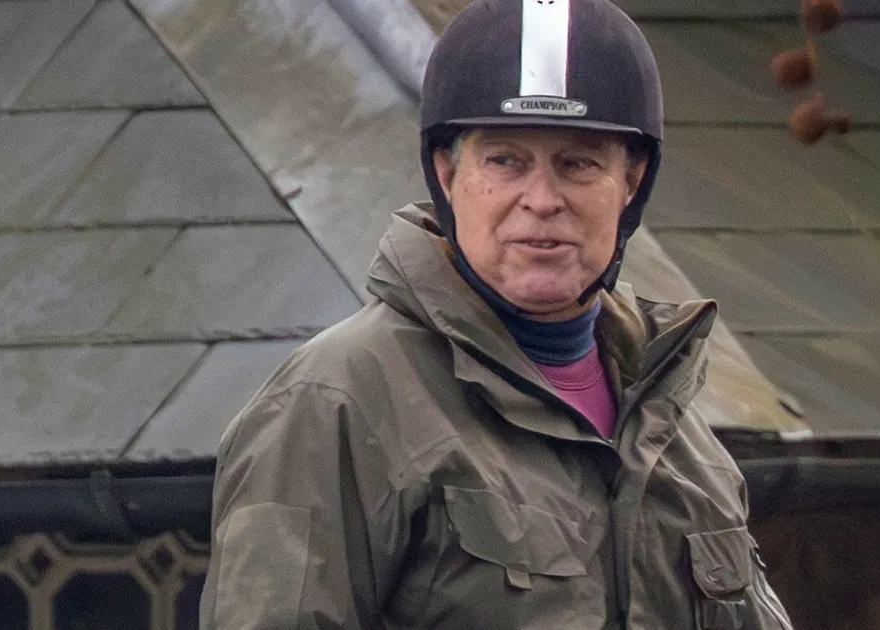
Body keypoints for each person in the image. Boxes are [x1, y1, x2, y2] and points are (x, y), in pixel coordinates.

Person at [198, 0, 793, 628]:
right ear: (446, 174)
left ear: (631, 183)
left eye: (578, 162)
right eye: (505, 160)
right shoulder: (337, 403)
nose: (542, 199)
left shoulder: (679, 438)